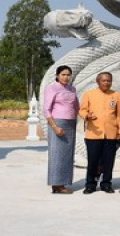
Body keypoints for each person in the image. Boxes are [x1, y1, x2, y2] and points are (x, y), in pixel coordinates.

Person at [78, 72, 120, 194]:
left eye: (109, 80)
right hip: (93, 134)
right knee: (93, 161)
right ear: (98, 81)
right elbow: (82, 110)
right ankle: (90, 184)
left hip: (111, 134)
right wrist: (87, 115)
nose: (106, 83)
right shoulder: (89, 94)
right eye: (104, 80)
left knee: (109, 161)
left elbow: (119, 115)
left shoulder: (116, 95)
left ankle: (106, 183)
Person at [43, 65, 79, 194]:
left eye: (68, 74)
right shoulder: (52, 88)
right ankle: (56, 184)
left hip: (71, 124)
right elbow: (46, 109)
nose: (66, 77)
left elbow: (76, 107)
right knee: (57, 155)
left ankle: (63, 182)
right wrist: (55, 127)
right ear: (57, 75)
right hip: (57, 123)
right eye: (63, 74)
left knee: (67, 155)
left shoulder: (72, 89)